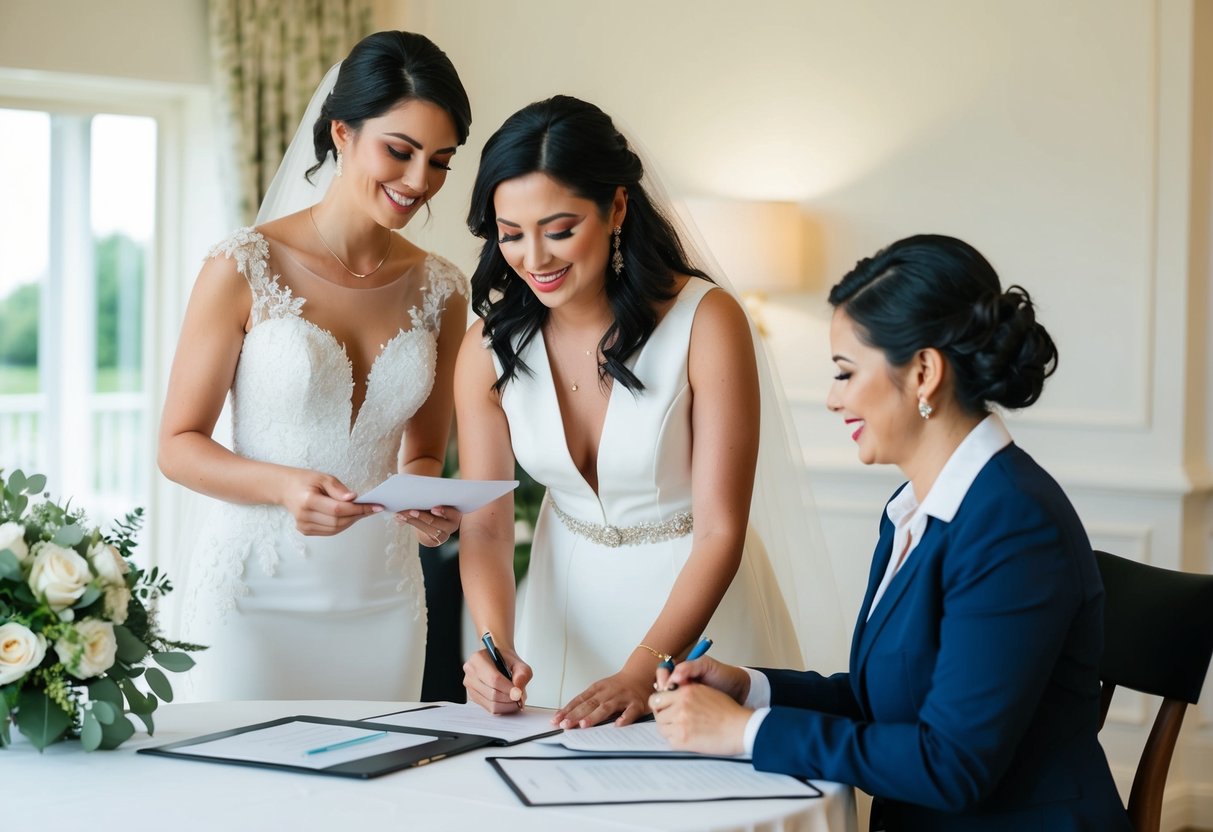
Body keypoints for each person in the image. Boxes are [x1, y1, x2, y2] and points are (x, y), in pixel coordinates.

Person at [649, 234, 1133, 831]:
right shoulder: (912, 509)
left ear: (924, 372)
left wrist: (745, 733)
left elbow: (952, 765)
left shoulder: (1014, 526)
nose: (832, 400)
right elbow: (892, 698)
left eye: (846, 373)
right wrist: (750, 689)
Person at [455, 95, 844, 729]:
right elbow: (489, 525)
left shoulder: (706, 322)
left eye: (559, 230)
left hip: (695, 615)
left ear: (616, 208)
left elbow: (722, 528)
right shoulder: (487, 349)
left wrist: (644, 670)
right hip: (562, 609)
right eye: (510, 234)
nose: (534, 258)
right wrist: (495, 647)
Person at [158, 31, 472, 701]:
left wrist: (430, 505)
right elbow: (177, 446)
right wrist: (284, 488)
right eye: (401, 150)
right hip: (255, 595)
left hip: (382, 596)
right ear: (341, 132)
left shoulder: (442, 288)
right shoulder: (242, 265)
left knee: (376, 794)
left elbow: (422, 454)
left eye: (441, 160)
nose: (420, 181)